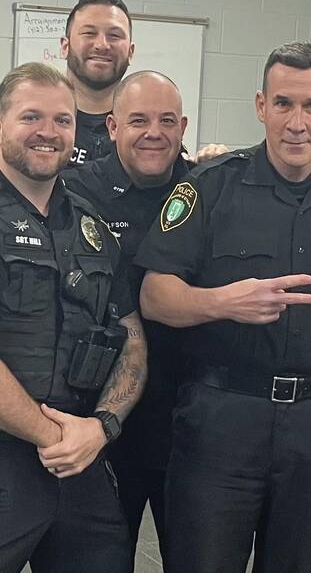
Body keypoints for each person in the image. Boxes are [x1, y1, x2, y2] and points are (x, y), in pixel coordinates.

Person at [136, 41, 311, 573]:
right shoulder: (210, 185)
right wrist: (221, 301)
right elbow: (153, 296)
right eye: (283, 104)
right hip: (221, 417)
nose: (297, 123)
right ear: (261, 106)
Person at [0, 62, 147, 573]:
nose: (48, 131)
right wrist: (52, 436)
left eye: (62, 120)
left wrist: (102, 427)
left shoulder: (93, 226)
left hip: (80, 454)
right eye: (31, 117)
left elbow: (131, 337)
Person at [62, 69, 190, 564]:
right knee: (101, 559)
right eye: (138, 120)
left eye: (167, 120)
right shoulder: (72, 191)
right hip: (98, 417)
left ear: (183, 127)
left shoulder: (206, 186)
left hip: (186, 418)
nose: (153, 132)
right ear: (113, 127)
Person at [61, 0, 135, 165]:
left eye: (114, 35)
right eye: (89, 33)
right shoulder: (35, 123)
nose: (102, 45)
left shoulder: (145, 131)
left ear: (130, 52)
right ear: (65, 47)